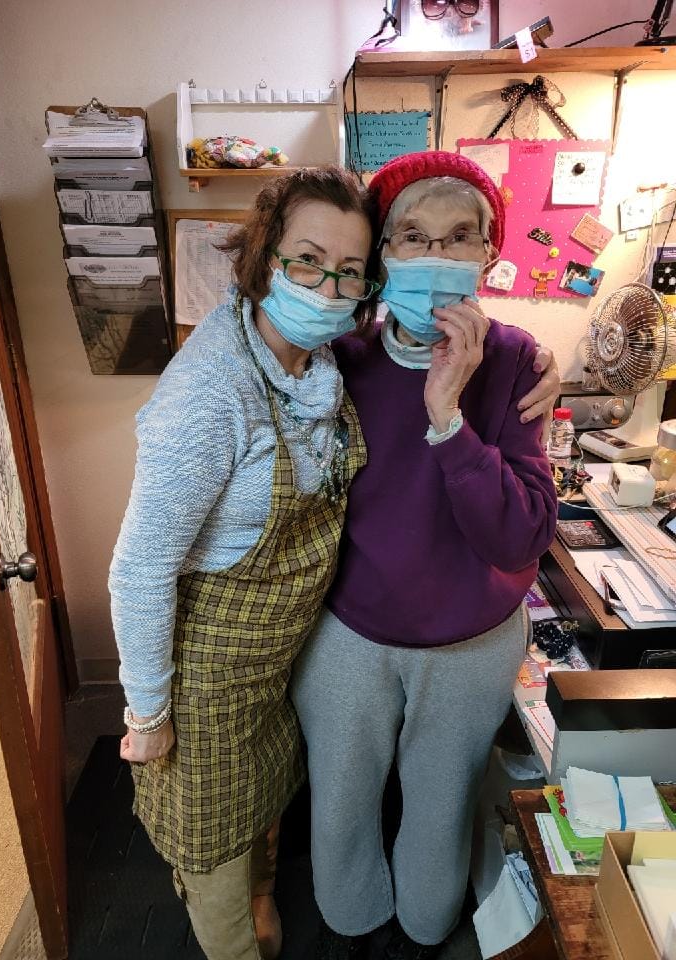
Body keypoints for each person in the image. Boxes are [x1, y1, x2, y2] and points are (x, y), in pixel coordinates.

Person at [291, 151, 559, 960]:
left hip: (471, 642)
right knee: (340, 799)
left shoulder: (515, 361)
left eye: (459, 236)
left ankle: (425, 929)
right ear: (382, 255)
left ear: (489, 252)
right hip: (352, 630)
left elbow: (519, 535)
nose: (436, 256)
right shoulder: (342, 358)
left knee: (441, 806)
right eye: (412, 236)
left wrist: (449, 415)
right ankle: (348, 921)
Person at [108, 167, 381, 960]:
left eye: (350, 271)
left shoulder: (318, 366)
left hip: (278, 661)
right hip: (206, 682)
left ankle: (263, 891)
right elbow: (138, 570)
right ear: (265, 259)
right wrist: (147, 716)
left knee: (266, 801)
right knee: (213, 849)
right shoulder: (209, 392)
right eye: (308, 261)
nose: (328, 288)